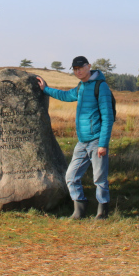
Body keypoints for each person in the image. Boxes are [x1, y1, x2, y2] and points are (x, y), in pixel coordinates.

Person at [36, 56, 115, 220]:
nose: (78, 71)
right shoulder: (81, 87)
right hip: (82, 142)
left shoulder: (101, 87)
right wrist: (45, 89)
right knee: (71, 177)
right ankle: (80, 209)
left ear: (89, 67)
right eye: (75, 69)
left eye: (80, 68)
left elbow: (108, 118)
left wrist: (103, 144)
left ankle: (102, 212)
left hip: (96, 141)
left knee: (99, 179)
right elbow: (65, 95)